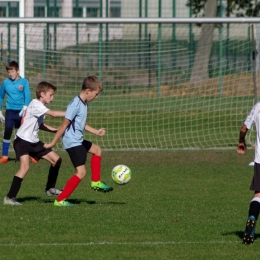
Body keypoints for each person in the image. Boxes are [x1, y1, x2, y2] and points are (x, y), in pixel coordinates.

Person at [44, 75, 113, 207]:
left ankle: (96, 182)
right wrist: (53, 143)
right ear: (88, 91)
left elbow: (80, 123)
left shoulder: (83, 103)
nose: (96, 97)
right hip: (72, 142)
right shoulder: (75, 104)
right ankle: (60, 200)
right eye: (96, 94)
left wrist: (96, 131)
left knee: (97, 150)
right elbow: (64, 125)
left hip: (77, 140)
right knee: (81, 173)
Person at [3, 81, 65, 205]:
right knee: (25, 167)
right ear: (42, 94)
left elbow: (39, 124)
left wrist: (55, 130)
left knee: (56, 160)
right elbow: (53, 114)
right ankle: (9, 198)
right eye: (51, 95)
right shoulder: (36, 104)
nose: (52, 98)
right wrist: (71, 113)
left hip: (33, 141)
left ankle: (50, 188)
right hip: (22, 141)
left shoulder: (39, 106)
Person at [237, 102, 260, 244]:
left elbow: (244, 128)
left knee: (258, 194)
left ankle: (252, 217)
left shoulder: (258, 106)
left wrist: (241, 141)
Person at [0, 60, 31, 163]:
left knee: (24, 134)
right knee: (8, 131)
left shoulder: (24, 82)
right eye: (9, 72)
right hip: (10, 111)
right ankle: (4, 156)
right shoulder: (5, 83)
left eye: (12, 71)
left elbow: (27, 95)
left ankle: (30, 154)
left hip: (21, 112)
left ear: (17, 71)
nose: (10, 74)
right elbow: (1, 97)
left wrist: (25, 107)